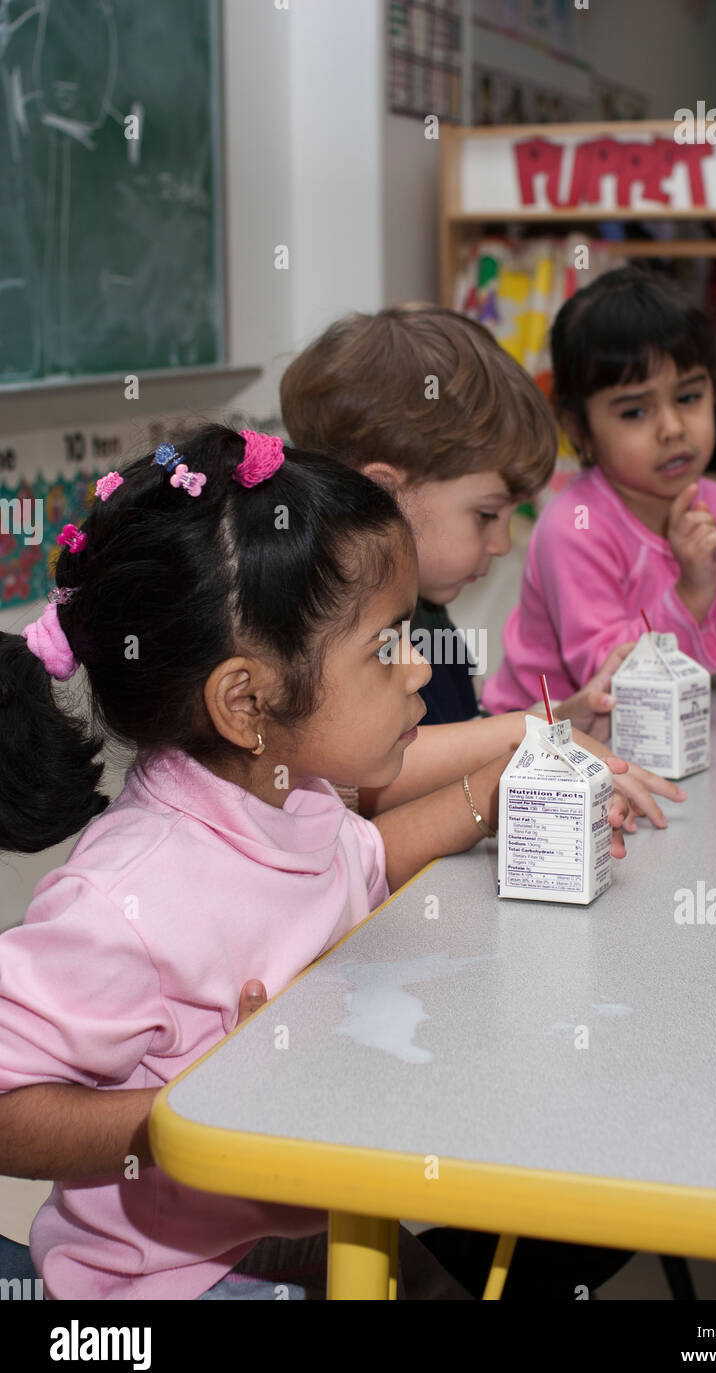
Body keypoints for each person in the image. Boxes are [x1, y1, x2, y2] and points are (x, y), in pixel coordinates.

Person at [0, 426, 635, 1299]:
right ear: (245, 701)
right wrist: (196, 1110)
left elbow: (362, 857)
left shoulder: (295, 797)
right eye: (386, 646)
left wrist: (489, 792)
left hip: (306, 1218)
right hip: (173, 1278)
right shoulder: (130, 895)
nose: (419, 667)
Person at [280, 304, 686, 832]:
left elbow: (450, 741)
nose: (500, 544)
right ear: (384, 495)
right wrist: (521, 731)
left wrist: (561, 722)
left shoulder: (424, 607)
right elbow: (359, 781)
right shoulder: (326, 628)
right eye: (486, 515)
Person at [482, 268, 716, 719]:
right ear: (578, 428)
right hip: (532, 749)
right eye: (635, 411)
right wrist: (691, 592)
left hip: (652, 736)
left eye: (688, 398)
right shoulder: (572, 529)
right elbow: (612, 678)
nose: (672, 429)